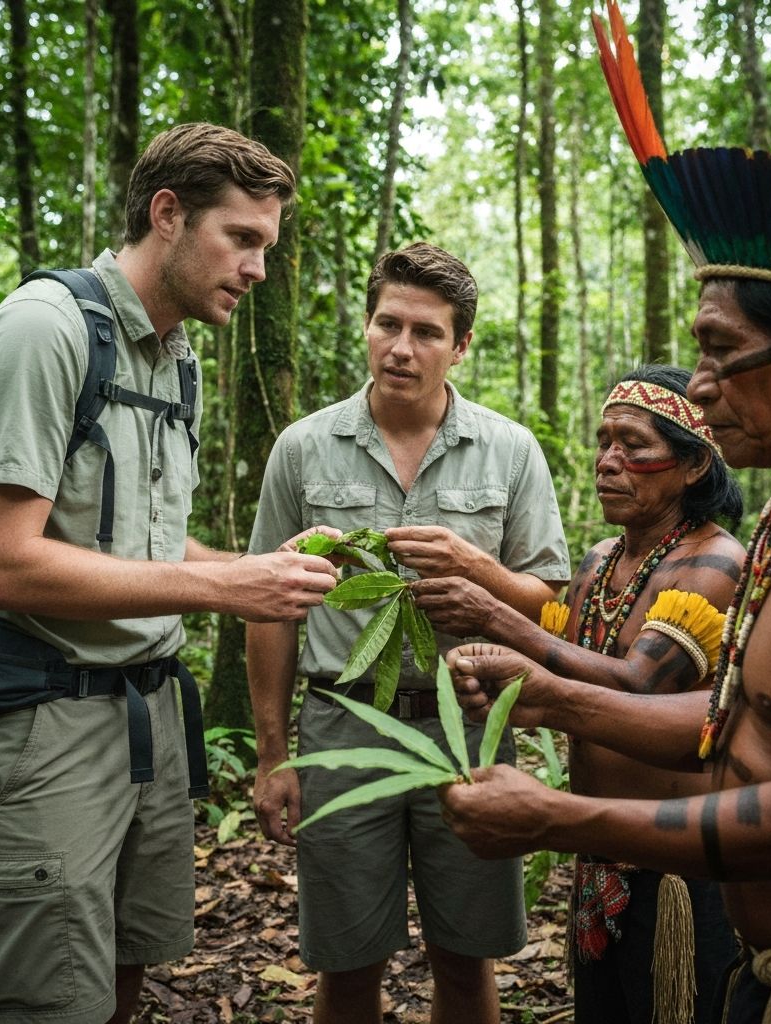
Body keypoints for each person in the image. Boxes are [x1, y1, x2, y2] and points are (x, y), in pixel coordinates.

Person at [439, 10, 771, 1021]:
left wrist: (556, 816)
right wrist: (546, 695)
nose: (703, 383)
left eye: (719, 349)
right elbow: (736, 723)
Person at [0, 123, 339, 1024]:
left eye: (267, 246)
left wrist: (260, 568)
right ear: (167, 214)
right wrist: (224, 591)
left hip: (146, 713)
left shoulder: (175, 355)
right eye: (242, 238)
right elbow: (0, 562)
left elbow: (143, 543)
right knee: (51, 999)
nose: (258, 269)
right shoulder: (42, 332)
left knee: (126, 967)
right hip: (43, 719)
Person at [246, 242, 571, 1024]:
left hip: (467, 729)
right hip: (340, 725)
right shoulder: (303, 447)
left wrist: (475, 568)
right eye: (388, 324)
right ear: (366, 327)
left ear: (461, 346)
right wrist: (273, 754)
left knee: (465, 957)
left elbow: (545, 600)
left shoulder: (509, 449)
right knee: (347, 961)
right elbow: (267, 604)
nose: (402, 347)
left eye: (427, 332)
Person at [414, 363, 745, 1024]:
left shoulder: (714, 562)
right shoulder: (597, 561)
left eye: (634, 446)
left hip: (676, 868)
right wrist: (503, 685)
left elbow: (637, 685)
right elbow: (572, 677)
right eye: (603, 442)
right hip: (598, 863)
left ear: (693, 465)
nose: (607, 462)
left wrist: (493, 616)